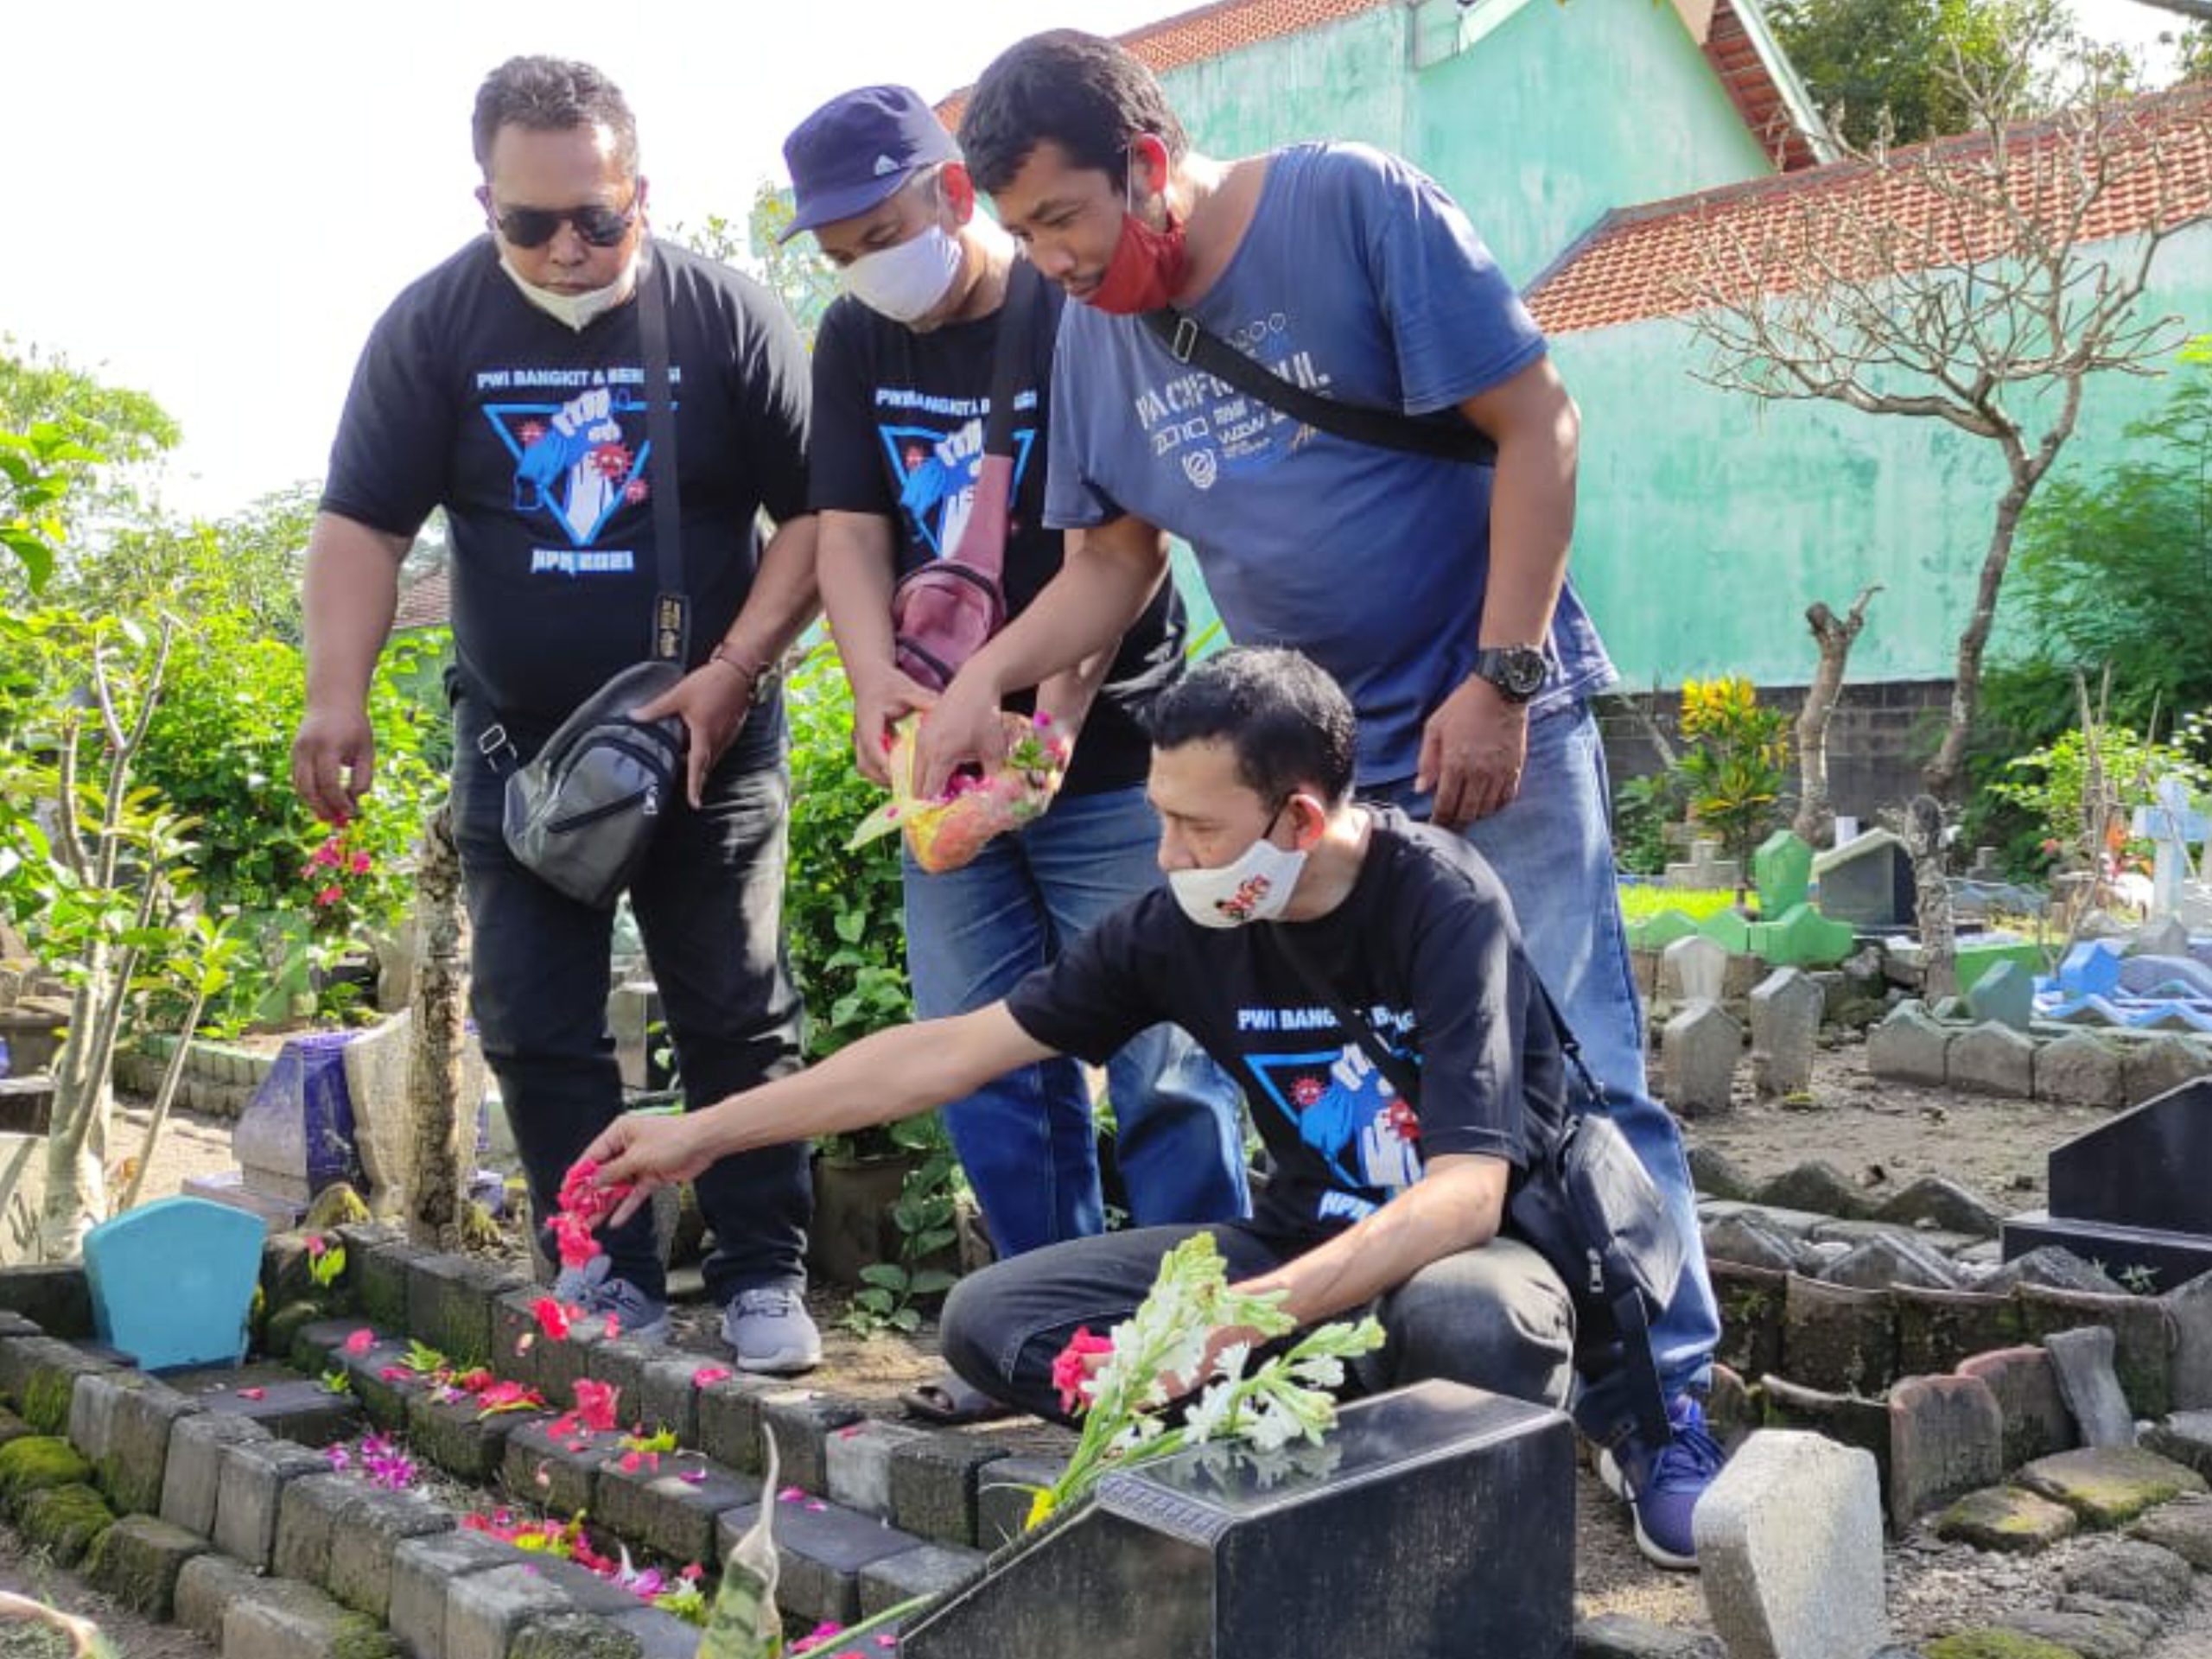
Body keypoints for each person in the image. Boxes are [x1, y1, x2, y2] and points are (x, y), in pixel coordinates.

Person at [906, 30, 1724, 1566]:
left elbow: (1536, 424)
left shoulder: (1351, 208)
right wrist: (985, 684)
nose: (1052, 261)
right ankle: (1424, 1358)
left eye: (1067, 218)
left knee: (1586, 1071)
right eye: (1020, 235)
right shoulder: (1092, 331)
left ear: (1149, 163)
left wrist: (1503, 673)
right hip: (1302, 769)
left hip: (1493, 707)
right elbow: (1112, 562)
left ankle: (1661, 1407)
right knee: (1356, 1079)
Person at [582, 648, 1582, 1438]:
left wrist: (1247, 1314)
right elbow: (949, 1052)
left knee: (1467, 1319)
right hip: (1297, 1242)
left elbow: (1465, 1192)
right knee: (993, 1323)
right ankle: (1311, 1422)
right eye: (1160, 819)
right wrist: (704, 1133)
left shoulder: (1439, 903)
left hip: (1466, 1255)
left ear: (1300, 819)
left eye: (1196, 828)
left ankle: (1381, 1438)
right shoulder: (1179, 926)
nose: (1166, 857)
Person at [290, 55, 823, 1374]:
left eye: (598, 215)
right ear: (485, 202)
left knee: (736, 1011)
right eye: (531, 223)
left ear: (640, 188)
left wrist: (740, 667)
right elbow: (361, 523)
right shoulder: (436, 327)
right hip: (518, 756)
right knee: (537, 1023)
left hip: (705, 740)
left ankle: (762, 1272)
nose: (570, 247)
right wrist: (333, 693)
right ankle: (603, 1266)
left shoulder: (725, 317)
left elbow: (822, 516)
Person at [782, 82, 1251, 1422]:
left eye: (883, 229)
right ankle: (1039, 1341)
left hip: (1112, 765)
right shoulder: (854, 343)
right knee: (983, 1062)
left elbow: (1127, 543)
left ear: (948, 190)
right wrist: (877, 682)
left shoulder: (1068, 305)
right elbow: (851, 531)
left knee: (1173, 1059)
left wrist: (1040, 722)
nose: (869, 267)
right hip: (946, 768)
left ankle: (1193, 1341)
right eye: (839, 253)